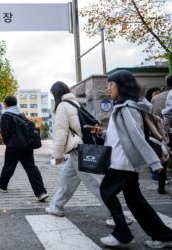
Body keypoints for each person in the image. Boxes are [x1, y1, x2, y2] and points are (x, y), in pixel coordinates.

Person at [96, 70, 172, 248]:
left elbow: (136, 136)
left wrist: (153, 162)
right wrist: (103, 133)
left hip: (123, 162)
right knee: (135, 201)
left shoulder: (128, 107)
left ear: (121, 86)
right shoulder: (125, 105)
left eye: (111, 84)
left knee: (106, 192)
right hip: (123, 160)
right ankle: (163, 235)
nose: (109, 88)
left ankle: (122, 233)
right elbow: (120, 135)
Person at [45, 82, 126, 227]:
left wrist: (57, 155)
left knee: (94, 183)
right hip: (80, 149)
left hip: (79, 151)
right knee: (66, 178)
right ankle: (56, 206)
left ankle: (117, 215)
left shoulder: (63, 106)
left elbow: (61, 132)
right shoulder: (75, 103)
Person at [0, 96, 48, 202]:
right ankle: (41, 192)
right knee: (31, 168)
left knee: (9, 167)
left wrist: (8, 143)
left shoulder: (5, 116)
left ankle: (2, 186)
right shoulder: (21, 114)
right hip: (27, 146)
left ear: (6, 104)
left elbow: (5, 133)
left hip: (13, 147)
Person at [151, 75, 172, 194]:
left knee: (164, 158)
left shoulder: (156, 98)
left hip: (162, 132)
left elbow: (152, 115)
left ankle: (161, 186)